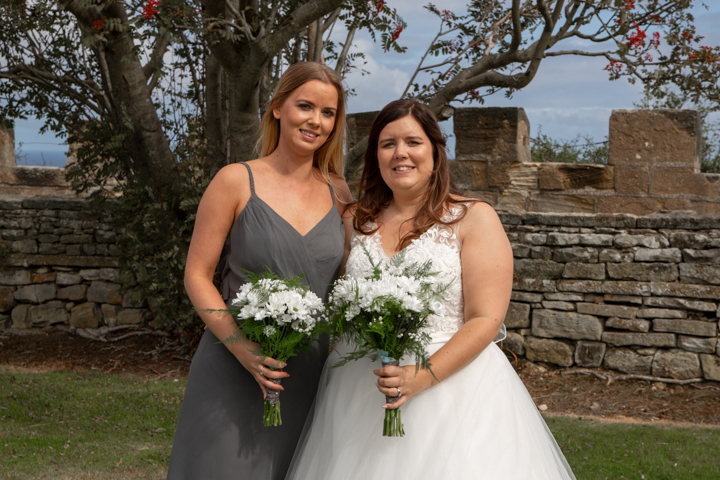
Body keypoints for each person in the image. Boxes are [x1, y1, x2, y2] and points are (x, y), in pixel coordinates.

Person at [286, 99, 576, 480]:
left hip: (453, 392)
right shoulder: (355, 220)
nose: (400, 153)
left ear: (436, 154)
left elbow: (486, 318)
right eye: (388, 144)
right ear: (375, 156)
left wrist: (420, 377)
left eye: (413, 142)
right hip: (358, 387)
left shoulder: (473, 218)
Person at [167, 62, 352, 480]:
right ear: (277, 108)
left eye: (328, 113)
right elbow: (197, 275)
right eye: (305, 106)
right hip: (232, 365)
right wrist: (242, 349)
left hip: (307, 372)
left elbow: (346, 279)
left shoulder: (340, 193)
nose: (316, 121)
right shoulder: (235, 181)